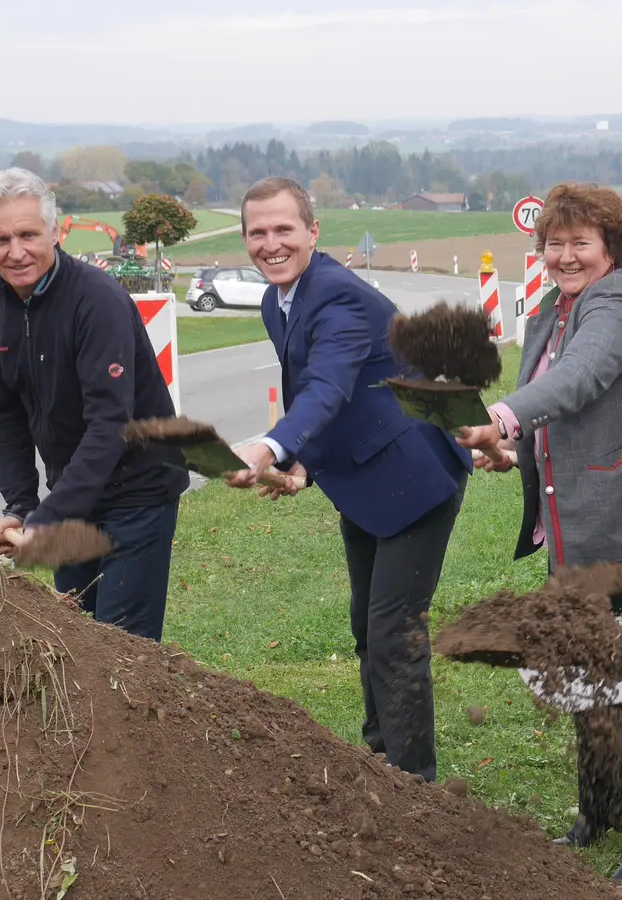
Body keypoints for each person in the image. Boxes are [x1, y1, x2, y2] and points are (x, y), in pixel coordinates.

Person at [457, 182, 622, 886]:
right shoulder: (549, 309)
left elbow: (580, 380)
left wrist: (501, 416)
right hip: (578, 529)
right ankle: (598, 812)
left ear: (611, 249)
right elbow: (552, 407)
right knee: (580, 670)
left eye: (580, 244)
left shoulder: (621, 302)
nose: (565, 256)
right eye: (554, 244)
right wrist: (511, 444)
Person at [225, 177, 471, 784]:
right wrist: (303, 465)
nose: (271, 243)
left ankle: (415, 787)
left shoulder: (336, 296)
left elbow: (328, 386)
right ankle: (381, 757)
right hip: (362, 477)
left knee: (394, 634)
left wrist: (271, 444)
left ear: (313, 232)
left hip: (415, 476)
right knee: (369, 628)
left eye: (284, 229)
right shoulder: (277, 299)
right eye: (258, 232)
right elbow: (348, 395)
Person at [0, 167, 189, 641]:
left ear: (55, 230)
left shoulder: (97, 301)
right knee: (73, 639)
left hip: (138, 493)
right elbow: (3, 410)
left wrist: (49, 517)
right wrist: (22, 505)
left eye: (28, 234)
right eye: (0, 240)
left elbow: (110, 423)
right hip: (73, 497)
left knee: (120, 652)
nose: (16, 252)